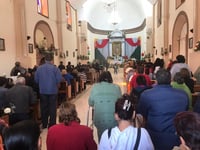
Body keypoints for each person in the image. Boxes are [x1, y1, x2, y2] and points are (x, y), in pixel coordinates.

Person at [138, 69, 189, 150]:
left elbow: (142, 114)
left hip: (153, 138)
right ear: (171, 80)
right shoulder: (183, 95)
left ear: (156, 80)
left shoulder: (147, 94)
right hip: (176, 138)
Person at [88, 71, 122, 141]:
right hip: (114, 119)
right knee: (113, 139)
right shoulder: (116, 87)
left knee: (102, 138)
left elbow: (90, 103)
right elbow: (120, 103)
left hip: (99, 120)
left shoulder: (95, 87)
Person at [34, 53, 62, 128]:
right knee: (52, 108)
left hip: (43, 91)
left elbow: (36, 80)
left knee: (43, 108)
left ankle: (44, 124)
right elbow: (59, 79)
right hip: (53, 91)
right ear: (52, 60)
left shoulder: (39, 68)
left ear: (45, 59)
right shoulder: (55, 68)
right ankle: (52, 124)